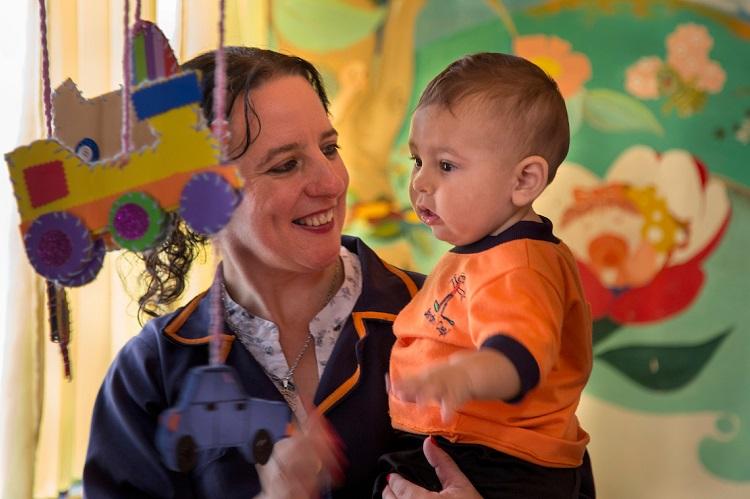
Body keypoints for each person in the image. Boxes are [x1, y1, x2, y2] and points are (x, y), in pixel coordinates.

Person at [82, 47, 483, 499]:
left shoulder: (453, 315)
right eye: (286, 164)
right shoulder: (150, 374)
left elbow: (560, 473)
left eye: (329, 148)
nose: (331, 183)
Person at [378, 52, 595, 498]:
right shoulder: (482, 253)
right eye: (417, 160)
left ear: (524, 181)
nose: (420, 182)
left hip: (500, 460)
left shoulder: (520, 265)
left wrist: (461, 376)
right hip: (467, 445)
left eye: (446, 165)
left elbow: (518, 358)